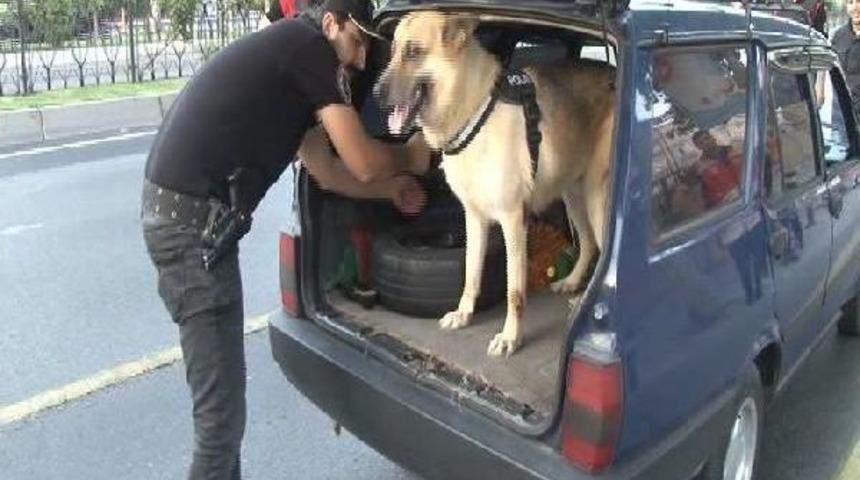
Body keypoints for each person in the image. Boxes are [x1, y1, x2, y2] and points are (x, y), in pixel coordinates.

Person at [140, 1, 431, 478]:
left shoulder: (295, 60)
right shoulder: (309, 49)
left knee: (222, 420)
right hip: (190, 232)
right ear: (332, 23)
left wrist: (388, 189)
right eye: (358, 42)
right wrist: (414, 157)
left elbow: (330, 172)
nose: (360, 60)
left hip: (191, 226)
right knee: (219, 426)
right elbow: (362, 159)